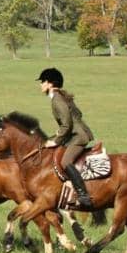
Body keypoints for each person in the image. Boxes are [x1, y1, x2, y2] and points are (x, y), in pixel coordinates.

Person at [37, 67, 95, 208]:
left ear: (50, 84)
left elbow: (67, 124)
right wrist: (58, 133)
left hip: (78, 137)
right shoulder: (60, 96)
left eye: (42, 82)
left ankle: (83, 195)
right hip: (73, 134)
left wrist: (55, 141)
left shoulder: (57, 99)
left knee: (65, 161)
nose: (40, 85)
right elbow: (77, 115)